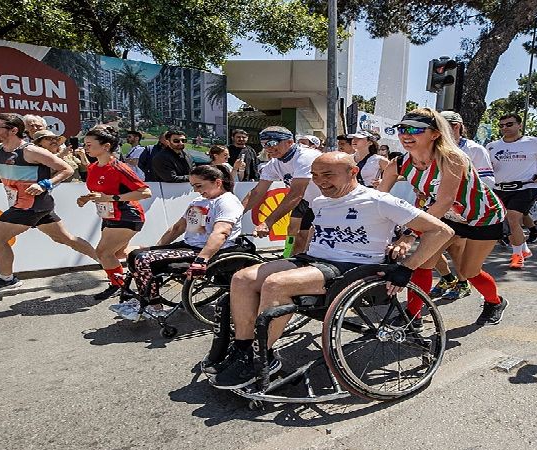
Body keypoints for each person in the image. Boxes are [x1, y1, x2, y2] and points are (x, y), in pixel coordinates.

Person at [210, 151, 454, 389]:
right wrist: (294, 259)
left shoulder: (379, 200)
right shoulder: (319, 201)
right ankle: (242, 349)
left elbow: (442, 231)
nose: (320, 182)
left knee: (277, 284)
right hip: (315, 260)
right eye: (315, 175)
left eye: (328, 175)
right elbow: (316, 237)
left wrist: (407, 267)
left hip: (355, 267)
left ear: (353, 172)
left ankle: (261, 355)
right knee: (242, 278)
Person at [379, 108, 508, 326]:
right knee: (422, 263)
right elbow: (378, 198)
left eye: (415, 130)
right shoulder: (399, 163)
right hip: (447, 217)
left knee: (468, 271)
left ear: (435, 134)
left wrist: (409, 234)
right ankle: (413, 317)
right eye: (401, 129)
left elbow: (445, 201)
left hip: (482, 217)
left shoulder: (453, 158)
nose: (405, 135)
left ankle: (495, 302)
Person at [0, 113, 99, 291]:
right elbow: (2, 174)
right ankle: (107, 262)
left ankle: (6, 279)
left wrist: (45, 184)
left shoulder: (30, 151)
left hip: (29, 206)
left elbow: (66, 169)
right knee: (65, 238)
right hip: (32, 206)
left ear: (13, 130)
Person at [110, 164, 244, 320]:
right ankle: (138, 300)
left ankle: (154, 307)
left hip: (209, 250)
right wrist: (156, 248)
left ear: (217, 182)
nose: (196, 190)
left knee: (143, 259)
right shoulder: (200, 201)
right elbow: (179, 227)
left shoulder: (227, 202)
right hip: (189, 245)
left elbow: (221, 232)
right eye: (193, 186)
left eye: (199, 185)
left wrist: (202, 260)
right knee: (135, 254)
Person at [76, 126, 152, 300]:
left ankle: (118, 286)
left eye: (89, 144)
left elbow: (145, 192)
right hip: (109, 216)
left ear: (106, 146)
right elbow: (100, 192)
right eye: (85, 144)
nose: (86, 147)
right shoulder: (94, 167)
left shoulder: (119, 167)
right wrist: (87, 198)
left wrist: (111, 198)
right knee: (117, 254)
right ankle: (151, 253)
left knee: (103, 252)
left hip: (127, 214)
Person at [429, 110, 497, 300]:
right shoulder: (432, 149)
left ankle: (462, 282)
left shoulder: (474, 150)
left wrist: (459, 189)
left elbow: (489, 181)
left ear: (456, 127)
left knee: (451, 248)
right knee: (433, 249)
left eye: (439, 127)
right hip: (441, 207)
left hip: (467, 211)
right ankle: (449, 278)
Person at [487, 113, 537, 269]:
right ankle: (524, 248)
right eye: (502, 125)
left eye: (509, 124)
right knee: (504, 222)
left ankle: (517, 256)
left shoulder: (534, 142)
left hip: (526, 187)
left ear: (519, 125)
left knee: (513, 219)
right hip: (500, 188)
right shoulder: (492, 146)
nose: (505, 128)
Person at [242, 126, 321, 257]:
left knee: (314, 241)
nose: (267, 148)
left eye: (272, 143)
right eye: (263, 144)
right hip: (311, 202)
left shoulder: (305, 157)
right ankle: (289, 256)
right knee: (295, 232)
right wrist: (234, 216)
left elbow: (296, 194)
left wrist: (268, 222)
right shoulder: (274, 163)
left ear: (289, 142)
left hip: (336, 203)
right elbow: (257, 192)